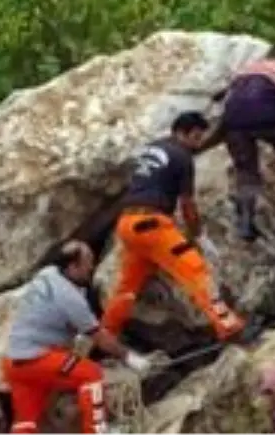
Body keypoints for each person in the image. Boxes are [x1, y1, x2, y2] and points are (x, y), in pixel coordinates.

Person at [100, 112, 249, 343]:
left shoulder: (150, 149)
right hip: (153, 225)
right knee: (195, 269)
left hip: (127, 225)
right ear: (182, 133)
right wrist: (198, 235)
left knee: (128, 287)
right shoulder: (182, 156)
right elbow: (187, 203)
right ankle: (227, 325)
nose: (198, 144)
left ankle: (106, 334)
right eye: (196, 137)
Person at [3, 241, 152, 435]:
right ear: (72, 266)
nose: (92, 267)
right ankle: (97, 431)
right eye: (88, 262)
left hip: (13, 363)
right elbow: (99, 337)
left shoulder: (47, 273)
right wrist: (130, 358)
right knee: (91, 374)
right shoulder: (70, 299)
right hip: (38, 358)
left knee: (26, 421)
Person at [209, 44, 275, 240]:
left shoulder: (249, 69)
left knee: (246, 171)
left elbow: (221, 95)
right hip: (267, 117)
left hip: (234, 120)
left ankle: (245, 222)